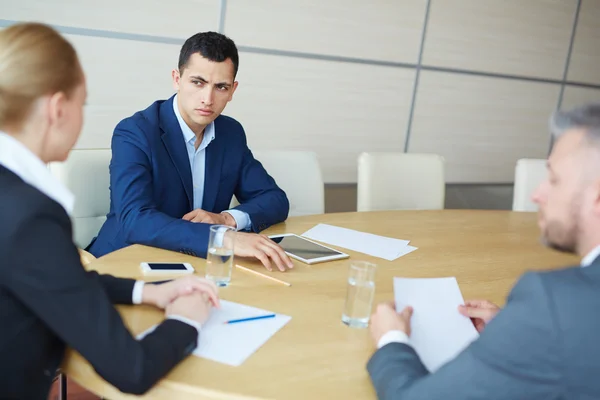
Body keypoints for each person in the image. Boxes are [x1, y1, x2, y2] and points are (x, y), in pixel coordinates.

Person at [0, 23, 222, 398]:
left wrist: (148, 292)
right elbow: (132, 369)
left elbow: (61, 278)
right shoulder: (29, 215)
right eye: (81, 103)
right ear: (58, 109)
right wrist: (188, 320)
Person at [367, 103, 600, 399]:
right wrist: (520, 335)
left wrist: (392, 338)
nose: (537, 194)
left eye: (554, 179)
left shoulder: (554, 304)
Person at [88, 31, 293, 272]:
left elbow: (275, 200)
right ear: (177, 79)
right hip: (125, 262)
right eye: (198, 82)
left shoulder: (231, 133)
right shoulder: (135, 131)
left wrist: (225, 220)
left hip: (197, 267)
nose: (207, 98)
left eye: (221, 87)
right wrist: (223, 238)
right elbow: (135, 220)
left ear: (233, 90)